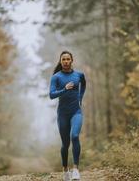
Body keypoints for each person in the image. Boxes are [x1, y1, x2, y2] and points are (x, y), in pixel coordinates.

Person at [49, 50, 86, 181]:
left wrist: (80, 98)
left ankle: (76, 169)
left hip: (76, 112)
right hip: (63, 114)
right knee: (65, 144)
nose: (65, 61)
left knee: (75, 136)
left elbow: (84, 84)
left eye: (67, 59)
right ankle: (65, 170)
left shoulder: (79, 75)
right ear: (60, 61)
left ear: (72, 60)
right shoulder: (56, 77)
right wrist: (64, 89)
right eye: (63, 59)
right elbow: (51, 95)